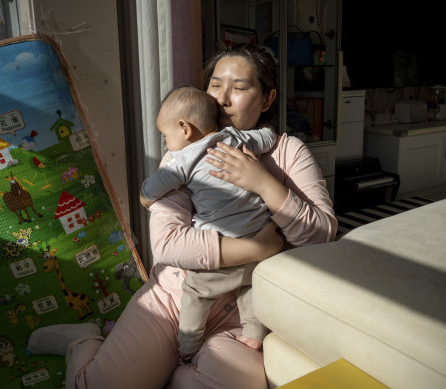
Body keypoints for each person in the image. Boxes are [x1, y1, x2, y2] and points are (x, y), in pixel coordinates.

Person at [27, 44, 338, 389]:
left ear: (267, 99)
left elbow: (322, 236)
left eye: (239, 87)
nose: (222, 99)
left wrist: (264, 184)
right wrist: (257, 249)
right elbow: (167, 245)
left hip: (245, 314)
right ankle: (83, 341)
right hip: (176, 298)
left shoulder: (285, 152)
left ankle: (173, 371)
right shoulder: (182, 155)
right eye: (215, 85)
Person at [139, 85, 276, 360]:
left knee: (195, 292)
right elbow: (268, 137)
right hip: (262, 231)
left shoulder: (183, 160)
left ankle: (187, 348)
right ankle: (253, 333)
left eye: (166, 137)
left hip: (229, 243)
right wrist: (269, 129)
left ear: (185, 129)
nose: (167, 145)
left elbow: (149, 192)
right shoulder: (237, 138)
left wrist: (144, 196)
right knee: (250, 284)